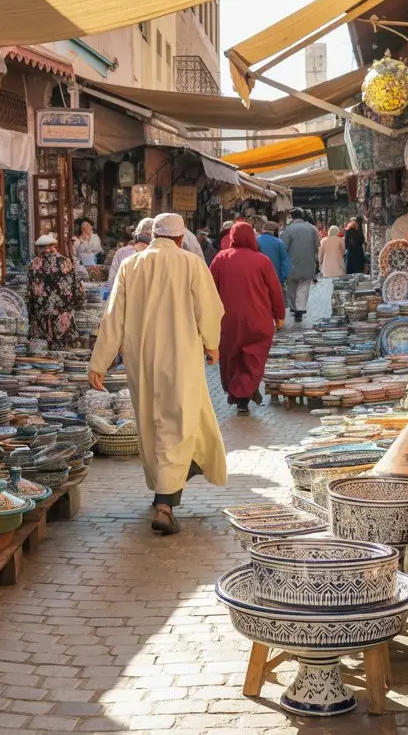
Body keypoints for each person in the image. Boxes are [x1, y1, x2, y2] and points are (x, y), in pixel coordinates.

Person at [89, 213, 227, 535]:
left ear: (153, 236)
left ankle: (164, 489)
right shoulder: (192, 264)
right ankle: (165, 504)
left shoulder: (130, 265)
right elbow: (209, 310)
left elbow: (113, 318)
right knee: (178, 423)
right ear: (180, 238)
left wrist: (99, 362)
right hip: (181, 358)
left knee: (152, 424)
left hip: (142, 360)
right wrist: (212, 345)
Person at [210, 222, 285, 414]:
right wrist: (279, 315)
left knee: (231, 357)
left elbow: (210, 291)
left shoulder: (220, 259)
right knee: (254, 357)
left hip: (228, 320)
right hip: (258, 319)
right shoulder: (262, 261)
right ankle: (244, 392)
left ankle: (239, 393)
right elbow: (275, 290)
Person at [27, 234, 86, 349]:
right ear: (53, 247)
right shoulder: (66, 262)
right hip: (63, 313)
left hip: (41, 315)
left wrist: (30, 312)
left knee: (43, 351)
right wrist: (78, 304)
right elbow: (78, 287)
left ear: (41, 248)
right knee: (65, 348)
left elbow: (29, 293)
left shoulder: (33, 265)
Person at [281, 207, 321, 323]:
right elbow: (317, 246)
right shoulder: (312, 229)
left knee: (292, 287)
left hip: (291, 265)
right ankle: (300, 309)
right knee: (304, 287)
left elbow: (283, 248)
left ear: (292, 217)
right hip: (308, 263)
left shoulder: (288, 230)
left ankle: (294, 308)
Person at [108, 217, 153, 285]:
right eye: (146, 234)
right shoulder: (123, 252)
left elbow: (112, 282)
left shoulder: (122, 252)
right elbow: (112, 280)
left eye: (149, 234)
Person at [256, 221, 291, 285]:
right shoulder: (279, 242)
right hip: (275, 278)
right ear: (275, 231)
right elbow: (284, 262)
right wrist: (282, 279)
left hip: (258, 278)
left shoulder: (255, 240)